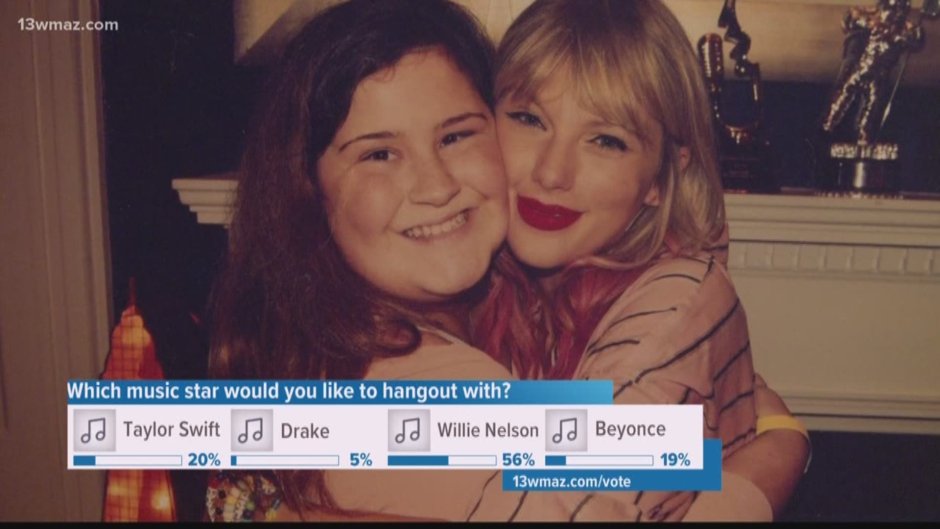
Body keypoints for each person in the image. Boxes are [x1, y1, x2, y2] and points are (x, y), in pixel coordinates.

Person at [206, 0, 807, 522]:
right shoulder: (413, 381)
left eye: (455, 136)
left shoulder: (486, 309)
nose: (436, 186)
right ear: (308, 190)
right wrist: (772, 462)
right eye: (379, 154)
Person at [473, 0, 809, 520]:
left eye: (606, 140)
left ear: (660, 178)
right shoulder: (480, 272)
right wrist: (772, 459)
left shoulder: (678, 301)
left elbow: (574, 508)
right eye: (528, 118)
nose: (552, 172)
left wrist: (358, 434)